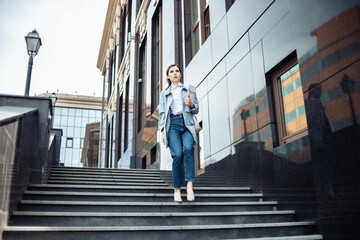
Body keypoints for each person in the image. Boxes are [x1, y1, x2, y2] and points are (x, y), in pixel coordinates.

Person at [159, 63, 199, 203]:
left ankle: (189, 186)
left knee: (188, 148)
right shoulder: (164, 94)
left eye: (177, 71)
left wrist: (191, 104)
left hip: (187, 124)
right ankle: (177, 189)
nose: (175, 73)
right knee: (177, 154)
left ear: (180, 74)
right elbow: (163, 114)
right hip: (173, 125)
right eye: (172, 71)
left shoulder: (188, 89)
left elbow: (196, 109)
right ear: (168, 76)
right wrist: (162, 132)